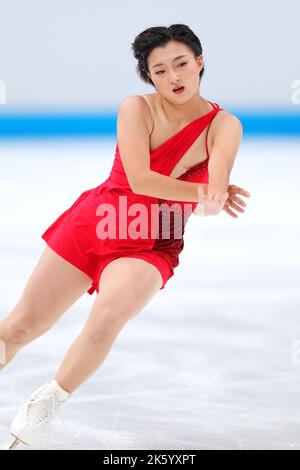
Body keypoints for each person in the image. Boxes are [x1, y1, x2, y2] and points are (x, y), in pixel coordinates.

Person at [0, 24, 251, 449]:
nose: (173, 77)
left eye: (181, 64)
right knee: (19, 328)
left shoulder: (223, 125)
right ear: (148, 77)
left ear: (200, 62)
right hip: (95, 222)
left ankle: (46, 403)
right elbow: (141, 178)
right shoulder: (136, 108)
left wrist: (214, 196)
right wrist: (203, 193)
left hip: (152, 241)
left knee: (106, 317)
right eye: (159, 70)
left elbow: (218, 179)